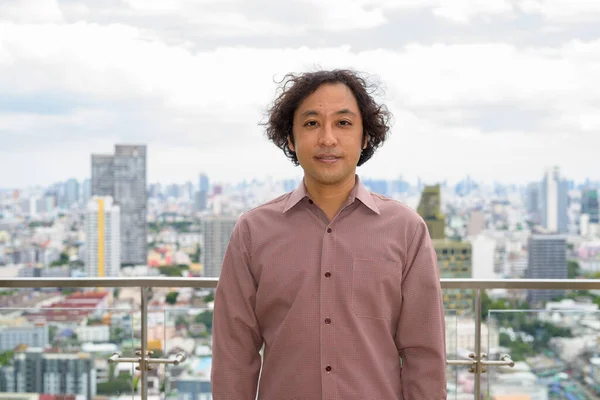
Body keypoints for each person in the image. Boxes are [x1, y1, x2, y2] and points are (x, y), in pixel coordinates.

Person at [211, 69, 446, 399]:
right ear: (290, 139)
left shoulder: (406, 230)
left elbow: (425, 355)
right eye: (311, 123)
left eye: (344, 123)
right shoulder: (253, 232)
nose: (327, 138)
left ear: (366, 137)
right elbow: (233, 356)